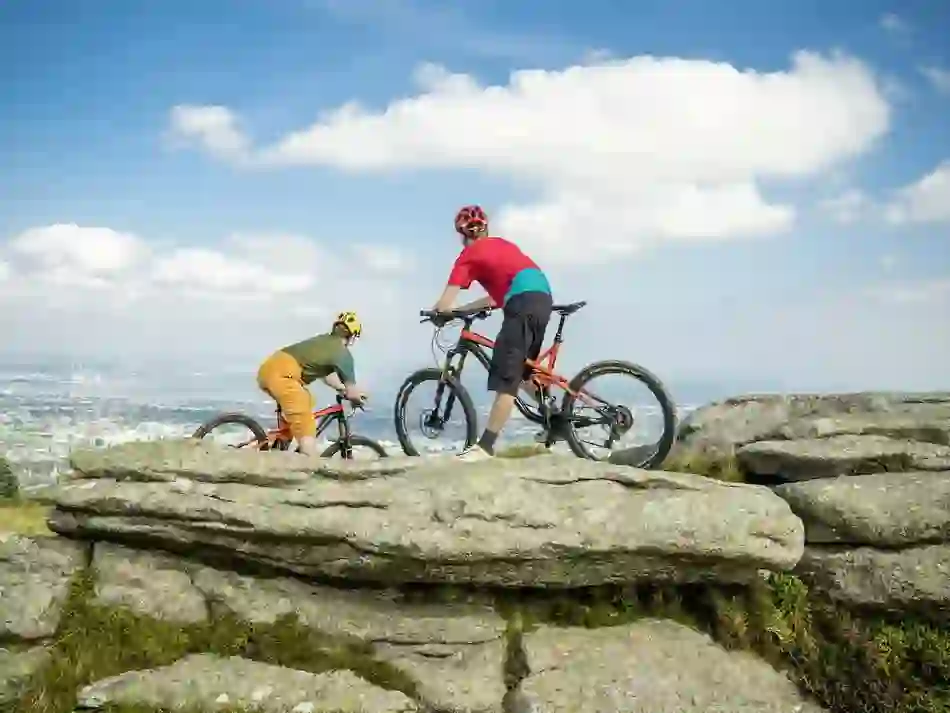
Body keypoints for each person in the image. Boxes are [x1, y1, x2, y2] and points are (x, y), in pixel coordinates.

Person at [431, 204, 555, 461]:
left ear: (463, 235)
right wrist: (462, 310)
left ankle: (485, 447)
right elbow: (494, 299)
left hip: (521, 303)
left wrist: (439, 313)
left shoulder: (468, 256)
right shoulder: (503, 245)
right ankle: (554, 417)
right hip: (541, 297)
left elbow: (444, 303)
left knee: (505, 376)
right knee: (522, 370)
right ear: (485, 228)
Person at [256, 311, 367, 456]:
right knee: (306, 422)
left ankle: (279, 446)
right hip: (283, 375)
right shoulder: (342, 354)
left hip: (270, 369)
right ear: (352, 336)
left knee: (306, 402)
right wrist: (358, 400)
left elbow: (326, 376)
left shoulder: (324, 342)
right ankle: (310, 464)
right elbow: (353, 393)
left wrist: (341, 388)